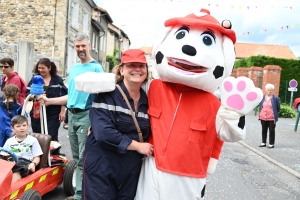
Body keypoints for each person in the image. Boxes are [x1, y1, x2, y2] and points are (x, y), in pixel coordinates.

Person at [37, 33, 104, 200]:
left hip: (87, 116)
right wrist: (49, 101)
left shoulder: (96, 68)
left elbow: (102, 98)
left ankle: (81, 196)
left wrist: (95, 121)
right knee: (76, 158)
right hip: (72, 116)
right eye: (78, 46)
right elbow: (70, 97)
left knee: (84, 158)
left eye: (83, 46)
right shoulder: (74, 69)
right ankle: (80, 193)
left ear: (89, 46)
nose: (80, 49)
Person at [82, 49, 153, 199]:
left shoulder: (148, 100)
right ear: (122, 69)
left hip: (131, 169)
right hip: (102, 165)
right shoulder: (107, 95)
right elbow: (103, 133)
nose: (137, 69)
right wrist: (139, 146)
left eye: (141, 66)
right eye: (131, 65)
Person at [26, 58, 67, 141]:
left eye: (43, 68)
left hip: (54, 112)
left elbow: (64, 95)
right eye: (39, 68)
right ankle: (39, 153)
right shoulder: (35, 79)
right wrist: (36, 97)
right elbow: (27, 94)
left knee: (51, 135)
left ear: (49, 68)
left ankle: (52, 153)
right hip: (37, 110)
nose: (40, 70)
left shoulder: (57, 80)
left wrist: (62, 112)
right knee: (37, 135)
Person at [3, 115, 43, 183]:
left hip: (25, 163)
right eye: (18, 126)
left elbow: (37, 157)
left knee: (18, 167)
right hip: (11, 162)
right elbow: (3, 155)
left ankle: (10, 187)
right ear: (12, 128)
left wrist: (33, 164)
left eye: (24, 125)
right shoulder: (9, 141)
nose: (22, 128)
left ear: (28, 126)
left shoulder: (33, 140)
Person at [258, 83, 280, 148]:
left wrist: (273, 113)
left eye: (271, 90)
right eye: (268, 90)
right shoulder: (262, 97)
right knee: (263, 130)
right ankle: (263, 142)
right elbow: (260, 106)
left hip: (272, 118)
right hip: (263, 117)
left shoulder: (275, 98)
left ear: (273, 91)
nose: (269, 91)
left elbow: (278, 108)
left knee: (271, 130)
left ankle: (271, 143)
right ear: (265, 90)